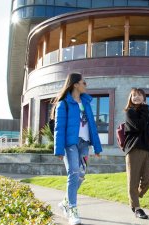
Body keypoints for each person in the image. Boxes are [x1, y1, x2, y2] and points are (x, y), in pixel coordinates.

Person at [52, 72, 102, 225]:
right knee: (73, 173)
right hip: (70, 144)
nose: (85, 85)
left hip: (85, 144)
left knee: (81, 174)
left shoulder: (86, 102)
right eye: (83, 82)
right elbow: (59, 128)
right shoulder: (64, 104)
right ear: (75, 84)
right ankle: (72, 209)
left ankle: (66, 201)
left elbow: (92, 126)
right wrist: (59, 149)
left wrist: (97, 147)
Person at [123, 88, 149, 219]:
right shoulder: (130, 112)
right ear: (130, 98)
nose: (136, 97)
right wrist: (144, 111)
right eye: (133, 95)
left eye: (139, 95)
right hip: (134, 149)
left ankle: (135, 196)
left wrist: (146, 112)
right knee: (133, 180)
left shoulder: (148, 113)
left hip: (148, 149)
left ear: (144, 97)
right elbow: (139, 126)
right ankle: (137, 207)